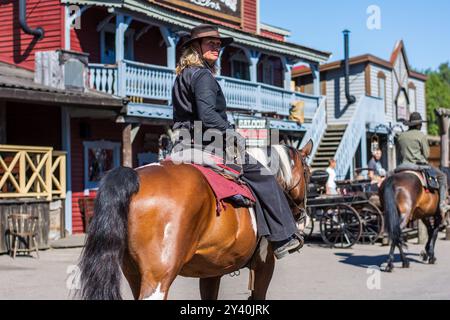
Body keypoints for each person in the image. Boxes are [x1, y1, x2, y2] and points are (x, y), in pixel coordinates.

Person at [171, 24, 303, 259]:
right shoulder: (202, 75)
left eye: (218, 44)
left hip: (181, 144)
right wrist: (232, 133)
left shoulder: (182, 76)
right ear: (196, 47)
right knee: (264, 175)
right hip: (206, 143)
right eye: (210, 43)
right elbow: (208, 116)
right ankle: (283, 237)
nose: (216, 48)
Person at [397, 112, 450, 220]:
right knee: (443, 177)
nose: (421, 125)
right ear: (418, 125)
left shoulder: (401, 136)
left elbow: (399, 153)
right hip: (418, 166)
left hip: (402, 166)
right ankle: (442, 205)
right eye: (420, 124)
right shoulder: (421, 135)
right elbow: (426, 154)